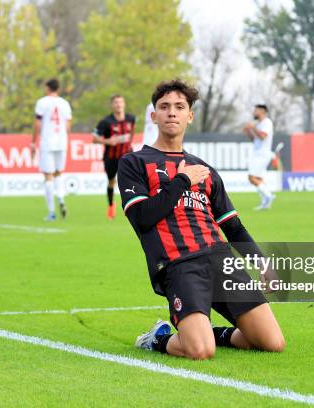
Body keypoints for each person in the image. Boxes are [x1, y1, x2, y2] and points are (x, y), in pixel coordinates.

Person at [118, 80, 285, 360]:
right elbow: (142, 218)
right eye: (165, 107)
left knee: (271, 342)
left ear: (189, 116)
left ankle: (209, 330)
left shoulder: (205, 170)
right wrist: (182, 181)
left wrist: (263, 264)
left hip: (219, 258)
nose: (172, 112)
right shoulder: (134, 163)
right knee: (199, 351)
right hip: (180, 264)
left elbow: (232, 225)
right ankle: (158, 338)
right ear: (154, 116)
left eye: (180, 107)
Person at [31, 78, 72, 220]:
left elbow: (37, 124)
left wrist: (33, 142)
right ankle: (61, 198)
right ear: (58, 88)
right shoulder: (65, 103)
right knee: (58, 173)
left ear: (47, 88)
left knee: (48, 176)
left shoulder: (42, 102)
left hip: (48, 141)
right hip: (62, 141)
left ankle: (52, 212)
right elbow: (68, 126)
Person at [93, 95, 135, 220]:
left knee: (131, 180)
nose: (118, 105)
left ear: (124, 104)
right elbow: (95, 139)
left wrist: (129, 144)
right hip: (111, 157)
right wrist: (107, 141)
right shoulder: (106, 122)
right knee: (111, 181)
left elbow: (131, 132)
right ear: (112, 105)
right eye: (116, 103)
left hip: (127, 156)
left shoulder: (130, 118)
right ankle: (111, 205)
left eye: (121, 102)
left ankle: (132, 206)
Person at [243, 104, 276, 210]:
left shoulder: (267, 122)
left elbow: (262, 137)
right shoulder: (260, 123)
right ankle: (265, 203)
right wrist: (249, 132)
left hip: (262, 154)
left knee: (251, 177)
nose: (254, 112)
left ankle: (269, 195)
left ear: (262, 111)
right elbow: (255, 140)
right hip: (258, 153)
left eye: (256, 110)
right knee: (258, 178)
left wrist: (253, 128)